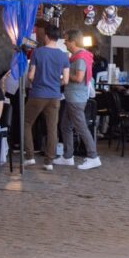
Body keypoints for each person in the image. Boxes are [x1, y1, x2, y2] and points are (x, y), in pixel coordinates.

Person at [23, 25, 70, 171]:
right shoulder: (63, 55)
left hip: (37, 94)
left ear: (47, 36)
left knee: (26, 123)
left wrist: (35, 81)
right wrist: (56, 83)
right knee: (52, 128)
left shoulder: (38, 52)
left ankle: (30, 156)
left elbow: (30, 75)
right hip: (55, 96)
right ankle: (49, 161)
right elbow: (66, 80)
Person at [52, 30, 101, 171]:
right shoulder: (76, 57)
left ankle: (93, 156)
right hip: (72, 97)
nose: (65, 42)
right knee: (65, 126)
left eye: (66, 40)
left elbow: (79, 78)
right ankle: (67, 156)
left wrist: (64, 76)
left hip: (76, 98)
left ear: (73, 42)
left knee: (81, 127)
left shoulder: (79, 58)